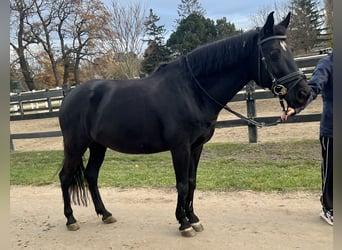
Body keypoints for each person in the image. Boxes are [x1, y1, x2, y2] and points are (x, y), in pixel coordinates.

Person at [281, 52, 333, 226]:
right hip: (332, 129)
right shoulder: (327, 64)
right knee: (331, 172)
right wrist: (296, 107)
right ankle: (329, 208)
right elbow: (313, 88)